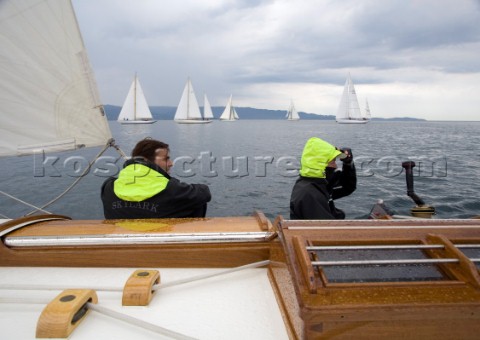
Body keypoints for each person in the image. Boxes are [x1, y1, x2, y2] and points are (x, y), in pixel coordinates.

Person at [101, 138, 211, 219]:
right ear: (146, 160)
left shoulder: (108, 187)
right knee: (197, 201)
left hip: (121, 247)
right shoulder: (172, 189)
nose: (171, 163)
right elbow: (205, 192)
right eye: (166, 159)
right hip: (162, 246)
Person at [290, 137, 356, 220]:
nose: (335, 166)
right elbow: (327, 230)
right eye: (333, 162)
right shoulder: (310, 195)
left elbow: (347, 187)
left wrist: (348, 164)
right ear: (321, 164)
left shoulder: (317, 184)